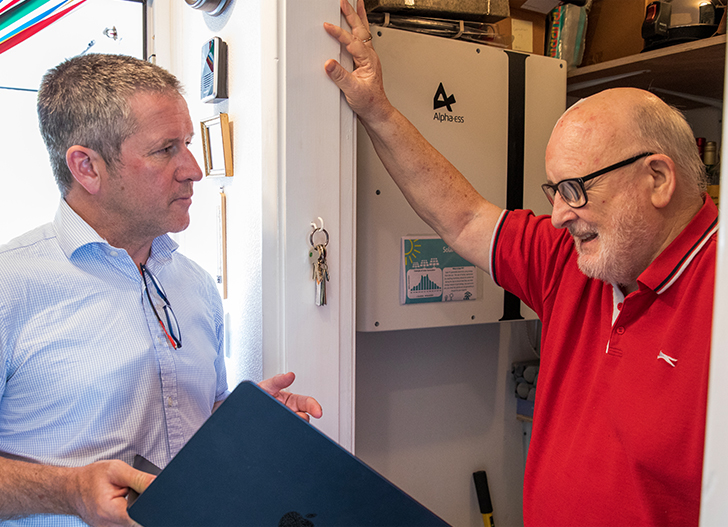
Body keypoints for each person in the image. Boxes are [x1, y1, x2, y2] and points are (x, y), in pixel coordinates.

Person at [323, 1, 717, 525]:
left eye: (575, 189)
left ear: (658, 179)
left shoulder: (717, 296)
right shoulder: (571, 260)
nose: (557, 217)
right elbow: (462, 218)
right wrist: (378, 111)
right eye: (554, 190)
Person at [0, 53, 322, 527]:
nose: (193, 169)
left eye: (188, 144)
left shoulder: (193, 283)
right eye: (165, 149)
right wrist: (67, 491)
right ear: (86, 167)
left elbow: (194, 419)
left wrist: (248, 424)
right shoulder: (11, 288)